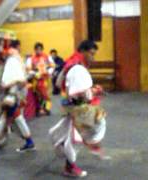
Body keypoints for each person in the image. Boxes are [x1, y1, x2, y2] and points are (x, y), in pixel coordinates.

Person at [49, 40, 110, 178]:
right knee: (76, 137)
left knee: (71, 136)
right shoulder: (77, 68)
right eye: (91, 53)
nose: (93, 57)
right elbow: (79, 94)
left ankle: (69, 164)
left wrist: (91, 91)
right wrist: (94, 91)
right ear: (83, 51)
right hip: (79, 109)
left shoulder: (72, 63)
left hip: (72, 107)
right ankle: (70, 167)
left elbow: (60, 83)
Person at [26, 42, 55, 116]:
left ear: (42, 49)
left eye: (40, 49)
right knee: (38, 95)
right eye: (37, 49)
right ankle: (39, 109)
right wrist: (34, 73)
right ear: (35, 50)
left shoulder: (47, 56)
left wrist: (49, 71)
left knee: (47, 94)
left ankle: (47, 109)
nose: (38, 51)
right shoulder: (31, 58)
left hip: (46, 79)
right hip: (36, 80)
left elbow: (53, 66)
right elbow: (28, 69)